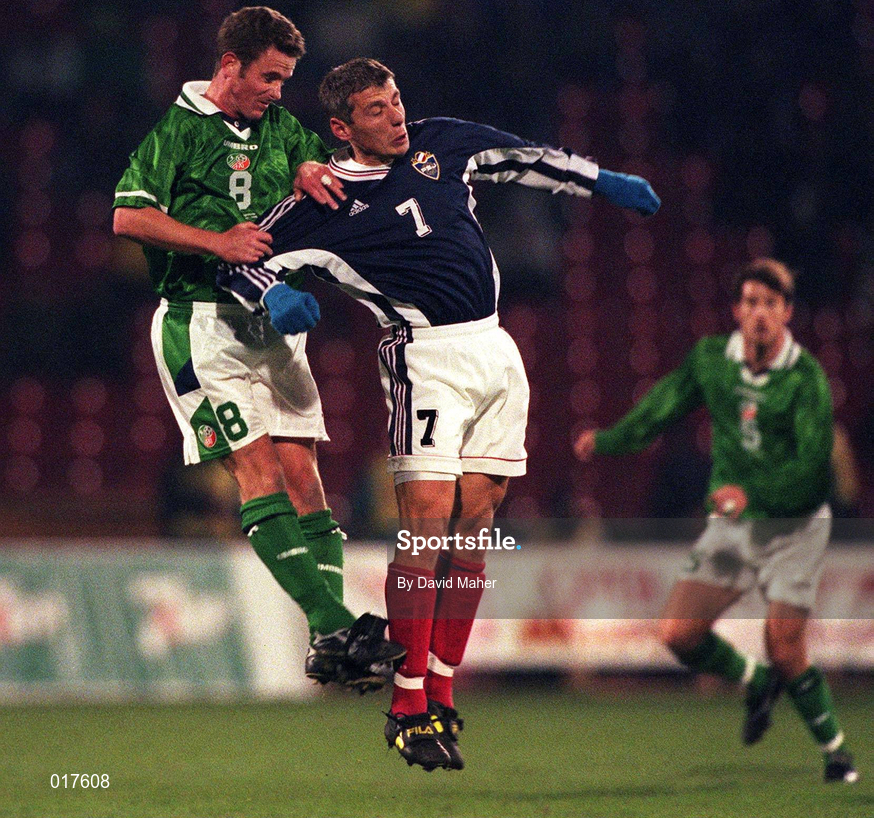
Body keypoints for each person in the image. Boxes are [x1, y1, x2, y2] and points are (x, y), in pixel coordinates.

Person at [218, 57, 660, 770]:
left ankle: (444, 694)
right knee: (425, 526)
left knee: (477, 527)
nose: (394, 116)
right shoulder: (322, 198)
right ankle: (406, 704)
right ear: (341, 127)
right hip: (424, 358)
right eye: (375, 109)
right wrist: (272, 295)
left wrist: (601, 181)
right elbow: (238, 259)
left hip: (495, 352)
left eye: (395, 100)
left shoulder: (442, 143)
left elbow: (526, 159)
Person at [113, 10, 403, 690]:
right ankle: (335, 621)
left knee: (308, 480)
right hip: (202, 326)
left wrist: (311, 166)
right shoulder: (178, 130)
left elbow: (313, 164)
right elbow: (128, 215)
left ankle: (328, 638)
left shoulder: (279, 126)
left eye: (285, 78)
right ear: (229, 66)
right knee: (258, 470)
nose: (277, 90)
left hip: (273, 331)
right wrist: (218, 243)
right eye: (269, 77)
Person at [573, 258, 858, 785]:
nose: (760, 314)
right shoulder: (712, 359)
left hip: (795, 526)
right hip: (736, 521)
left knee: (785, 643)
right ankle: (754, 682)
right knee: (677, 633)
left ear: (787, 313)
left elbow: (813, 476)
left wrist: (748, 495)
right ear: (736, 311)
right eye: (751, 303)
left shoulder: (806, 380)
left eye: (771, 304)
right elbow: (664, 405)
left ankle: (837, 752)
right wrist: (611, 439)